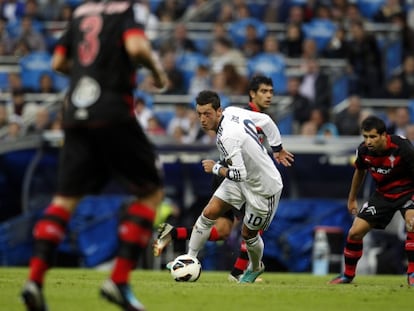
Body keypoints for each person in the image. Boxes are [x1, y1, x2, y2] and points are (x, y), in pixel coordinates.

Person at [20, 1, 168, 311]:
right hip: (113, 111)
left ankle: (34, 281)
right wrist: (156, 70)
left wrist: (90, 71)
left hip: (75, 113)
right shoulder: (125, 11)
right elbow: (137, 47)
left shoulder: (79, 13)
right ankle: (118, 280)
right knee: (151, 194)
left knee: (64, 201)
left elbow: (58, 62)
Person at [153, 76, 294, 281]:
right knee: (209, 213)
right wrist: (278, 149)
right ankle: (190, 258)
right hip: (239, 179)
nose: (202, 119)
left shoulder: (228, 135)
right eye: (199, 114)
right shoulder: (233, 111)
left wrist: (216, 167)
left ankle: (254, 268)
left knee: (249, 235)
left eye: (207, 114)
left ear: (218, 112)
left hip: (264, 188)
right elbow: (266, 121)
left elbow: (240, 173)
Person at [329, 116, 414, 285]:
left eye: (373, 137)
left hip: (407, 192)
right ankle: (347, 275)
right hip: (383, 195)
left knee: (412, 223)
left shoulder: (402, 146)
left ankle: (412, 274)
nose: (368, 141)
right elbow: (359, 173)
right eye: (365, 137)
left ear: (384, 135)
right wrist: (352, 199)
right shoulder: (363, 151)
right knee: (355, 232)